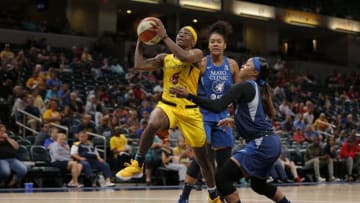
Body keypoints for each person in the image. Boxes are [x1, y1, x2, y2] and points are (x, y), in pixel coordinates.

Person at [116, 19, 222, 202]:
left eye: (186, 33)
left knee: (203, 160)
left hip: (190, 111)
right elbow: (139, 65)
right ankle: (138, 163)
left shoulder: (197, 54)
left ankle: (213, 196)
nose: (181, 34)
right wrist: (141, 41)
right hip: (168, 105)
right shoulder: (165, 58)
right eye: (179, 32)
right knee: (152, 123)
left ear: (193, 42)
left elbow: (185, 58)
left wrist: (164, 36)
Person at [170, 57, 291, 203]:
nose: (242, 65)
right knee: (259, 185)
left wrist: (189, 95)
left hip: (263, 144)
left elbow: (217, 106)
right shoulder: (256, 88)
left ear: (254, 73)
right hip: (271, 143)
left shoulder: (244, 86)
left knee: (222, 178)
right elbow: (256, 118)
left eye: (247, 64)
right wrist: (235, 120)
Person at [177, 20, 240, 203]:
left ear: (224, 45)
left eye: (218, 41)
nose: (215, 44)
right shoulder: (202, 63)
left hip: (222, 117)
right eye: (212, 41)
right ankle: (184, 197)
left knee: (223, 163)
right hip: (202, 115)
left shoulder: (233, 65)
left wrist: (234, 116)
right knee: (201, 158)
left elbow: (238, 94)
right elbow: (190, 90)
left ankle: (219, 195)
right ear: (208, 45)